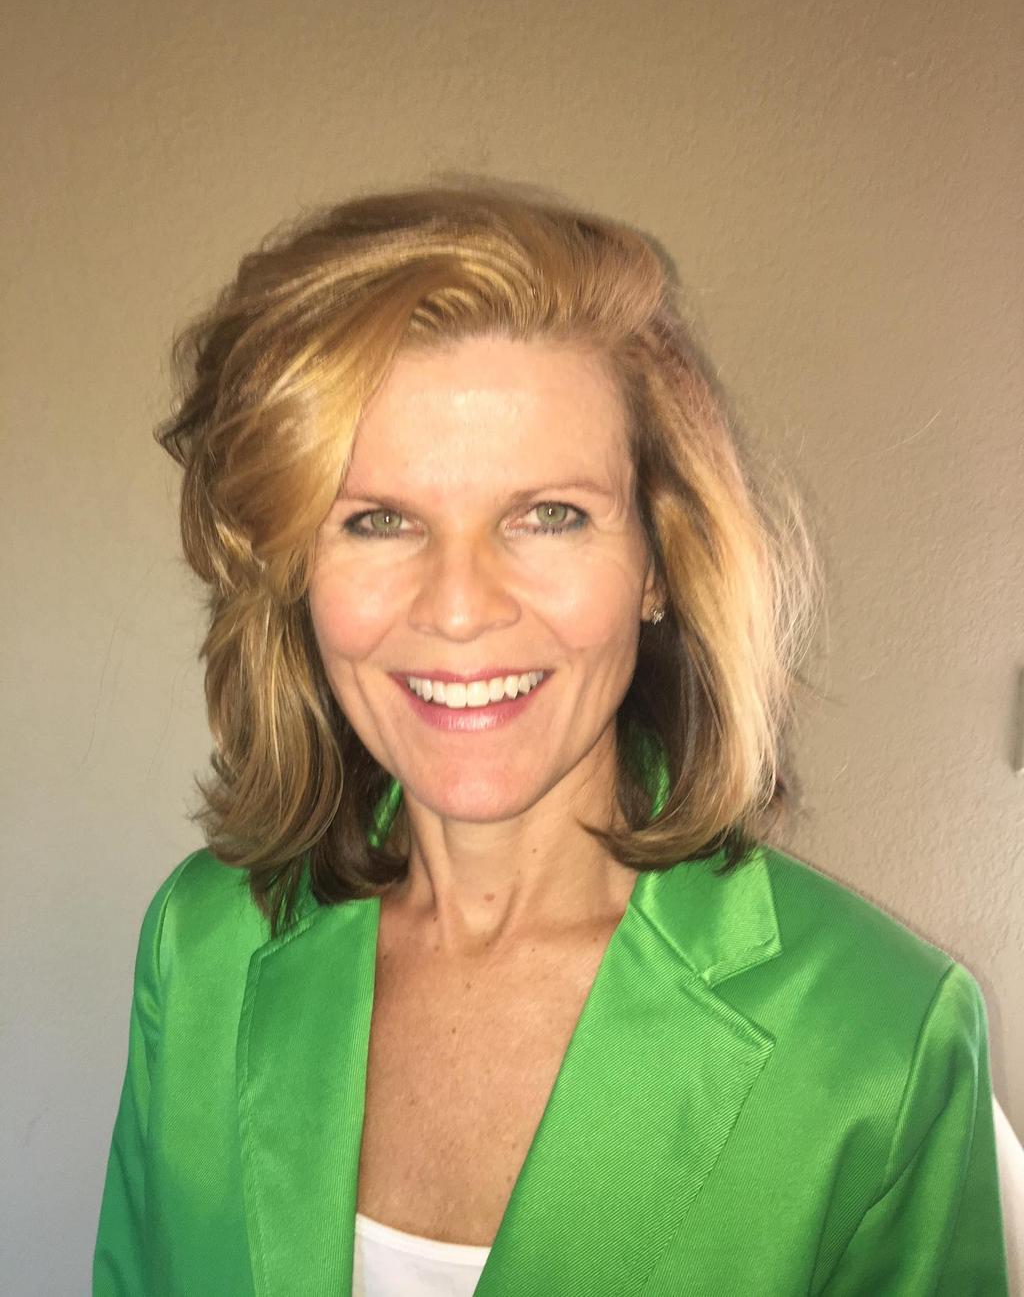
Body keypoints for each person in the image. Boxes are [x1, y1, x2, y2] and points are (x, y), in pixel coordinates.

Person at [93, 182, 1010, 1296]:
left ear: (658, 563)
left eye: (548, 516)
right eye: (378, 519)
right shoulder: (202, 947)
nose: (460, 607)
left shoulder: (883, 1040)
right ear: (293, 571)